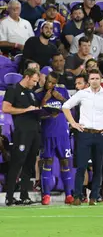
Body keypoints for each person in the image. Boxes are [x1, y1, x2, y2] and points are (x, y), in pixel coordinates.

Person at [62, 69, 103, 206]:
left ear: (100, 79)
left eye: (97, 78)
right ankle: (78, 196)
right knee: (81, 167)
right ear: (88, 81)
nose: (95, 81)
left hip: (100, 134)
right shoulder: (82, 94)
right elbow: (65, 106)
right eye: (92, 79)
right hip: (84, 133)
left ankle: (94, 197)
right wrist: (73, 123)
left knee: (98, 167)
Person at [2, 68, 41, 206]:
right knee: (17, 163)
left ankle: (25, 196)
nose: (35, 84)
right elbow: (5, 108)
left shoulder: (31, 93)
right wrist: (25, 110)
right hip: (22, 132)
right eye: (34, 81)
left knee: (29, 164)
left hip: (34, 132)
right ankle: (9, 196)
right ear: (27, 77)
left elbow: (33, 109)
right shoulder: (13, 90)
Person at [34, 71, 74, 205]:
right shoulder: (38, 93)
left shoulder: (62, 90)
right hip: (48, 133)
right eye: (49, 81)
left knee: (65, 162)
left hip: (62, 133)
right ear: (45, 80)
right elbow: (36, 112)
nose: (50, 85)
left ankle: (68, 195)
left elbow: (71, 107)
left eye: (53, 83)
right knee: (47, 162)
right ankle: (46, 195)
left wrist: (61, 99)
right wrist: (44, 100)